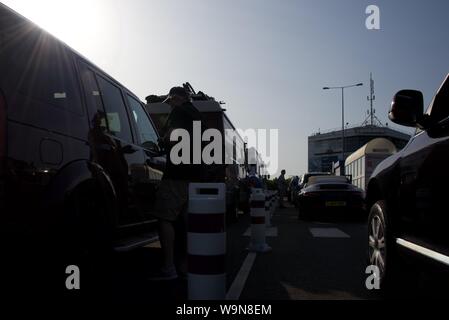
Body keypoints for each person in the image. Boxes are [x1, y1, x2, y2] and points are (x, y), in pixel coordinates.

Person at [149, 86, 204, 280]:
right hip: (195, 175)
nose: (170, 104)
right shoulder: (197, 114)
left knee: (165, 218)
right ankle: (187, 264)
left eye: (171, 101)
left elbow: (173, 138)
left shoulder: (179, 112)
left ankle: (168, 267)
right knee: (187, 222)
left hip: (177, 174)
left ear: (177, 98)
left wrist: (163, 139)